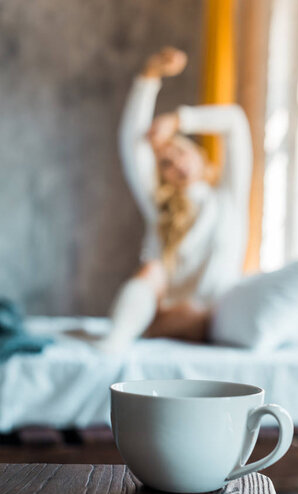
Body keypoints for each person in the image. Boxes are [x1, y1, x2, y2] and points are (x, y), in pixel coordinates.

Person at [97, 47, 252, 351]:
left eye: (180, 152)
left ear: (199, 154)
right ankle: (114, 343)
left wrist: (179, 121)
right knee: (152, 270)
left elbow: (235, 122)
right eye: (164, 164)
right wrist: (149, 76)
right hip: (160, 316)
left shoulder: (228, 199)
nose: (175, 164)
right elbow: (133, 144)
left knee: (195, 311)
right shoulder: (161, 207)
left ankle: (126, 338)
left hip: (207, 318)